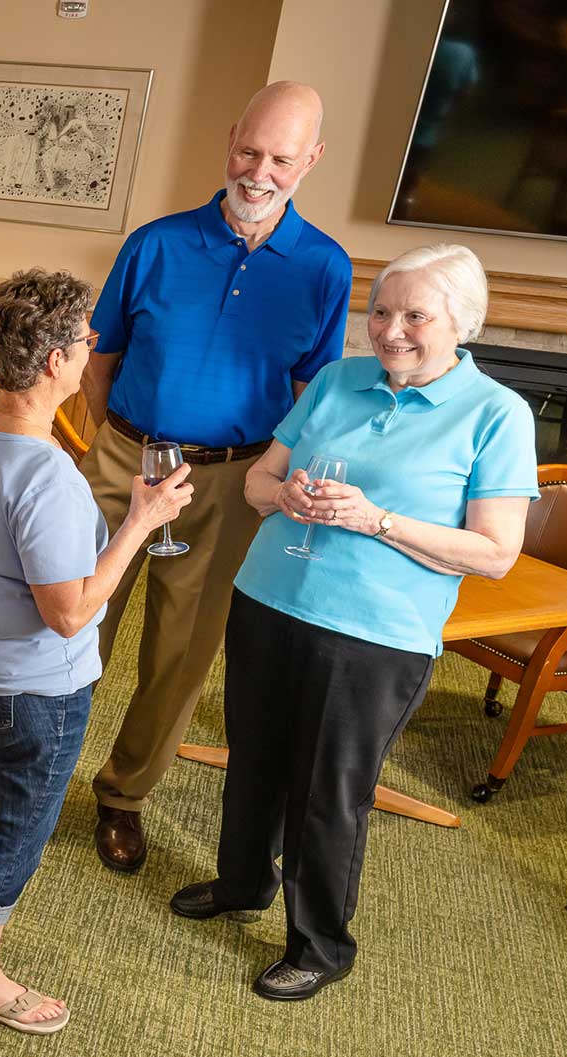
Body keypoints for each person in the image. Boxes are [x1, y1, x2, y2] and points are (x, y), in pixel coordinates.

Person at [170, 244, 536, 1000]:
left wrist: (376, 521)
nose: (389, 328)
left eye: (414, 315)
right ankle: (242, 884)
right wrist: (285, 497)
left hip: (375, 634)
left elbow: (496, 553)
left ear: (461, 324)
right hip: (269, 596)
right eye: (380, 310)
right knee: (254, 757)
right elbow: (259, 482)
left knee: (327, 791)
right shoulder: (338, 380)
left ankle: (320, 945)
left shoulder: (497, 414)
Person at [78, 80, 353, 873]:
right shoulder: (156, 243)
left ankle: (123, 797)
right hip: (125, 460)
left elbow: (310, 396)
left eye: (281, 159)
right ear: (229, 137)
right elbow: (102, 363)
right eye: (248, 149)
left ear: (312, 162)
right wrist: (121, 446)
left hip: (228, 485)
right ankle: (32, 766)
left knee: (180, 654)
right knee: (68, 625)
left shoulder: (324, 268)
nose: (259, 171)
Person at [0, 271, 192, 1034]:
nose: (92, 348)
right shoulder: (50, 479)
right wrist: (143, 519)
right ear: (52, 364)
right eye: (83, 341)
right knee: (16, 821)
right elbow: (69, 615)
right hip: (40, 690)